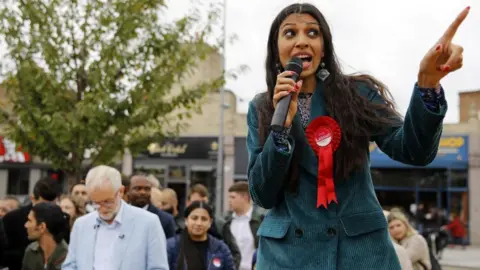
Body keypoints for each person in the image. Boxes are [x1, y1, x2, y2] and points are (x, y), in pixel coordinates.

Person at [246, 3, 468, 269]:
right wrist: (280, 129)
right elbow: (262, 194)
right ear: (276, 49)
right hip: (288, 258)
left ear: (324, 47)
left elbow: (414, 150)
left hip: (360, 255)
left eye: (312, 33)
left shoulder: (357, 94)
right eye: (290, 33)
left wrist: (427, 84)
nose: (302, 41)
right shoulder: (262, 108)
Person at [62, 165, 168, 270]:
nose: (102, 209)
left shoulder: (149, 223)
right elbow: (70, 265)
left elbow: (158, 267)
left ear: (121, 192)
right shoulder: (81, 225)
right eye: (96, 203)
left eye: (108, 202)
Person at [2, 176, 61, 270]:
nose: (48, 209)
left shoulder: (61, 219)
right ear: (33, 199)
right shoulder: (11, 219)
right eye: (43, 204)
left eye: (52, 205)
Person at [167, 201, 235, 270]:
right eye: (194, 218)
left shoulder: (221, 248)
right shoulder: (172, 246)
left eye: (204, 219)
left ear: (210, 222)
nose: (199, 223)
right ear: (186, 220)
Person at [22, 202, 69, 270]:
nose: (26, 225)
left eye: (29, 221)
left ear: (42, 227)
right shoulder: (30, 251)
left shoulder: (67, 257)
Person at [127, 174, 176, 239]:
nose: (143, 192)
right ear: (128, 191)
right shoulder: (118, 215)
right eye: (138, 188)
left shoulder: (165, 219)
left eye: (147, 189)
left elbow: (170, 246)